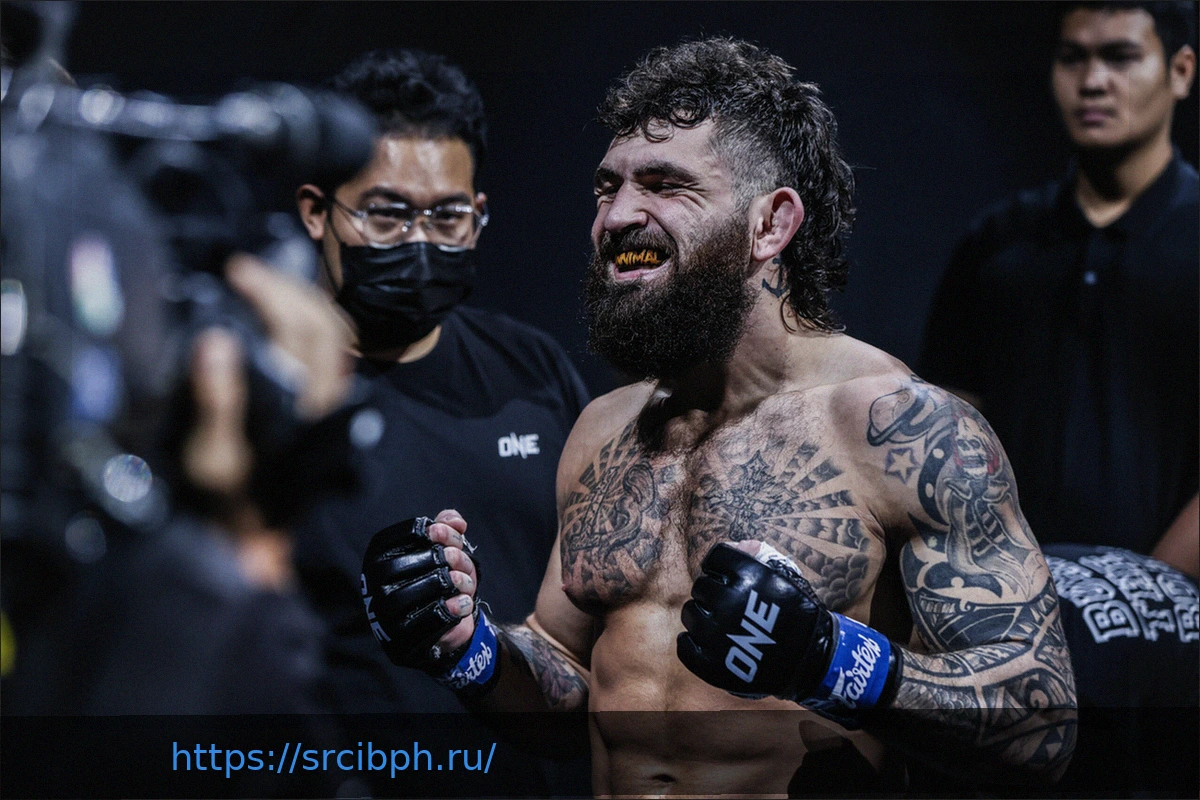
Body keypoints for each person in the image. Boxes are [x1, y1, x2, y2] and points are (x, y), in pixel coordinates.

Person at [360, 37, 1078, 796]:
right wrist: (468, 647)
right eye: (607, 187)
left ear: (771, 224)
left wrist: (831, 662)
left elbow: (1041, 726)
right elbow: (568, 682)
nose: (617, 216)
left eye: (665, 185)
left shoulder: (899, 430)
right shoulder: (605, 429)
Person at [293, 49, 591, 793]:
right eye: (388, 214)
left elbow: (587, 631)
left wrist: (474, 646)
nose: (420, 242)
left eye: (448, 216)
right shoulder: (261, 389)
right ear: (316, 211)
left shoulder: (533, 370)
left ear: (478, 214)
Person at [920, 1, 1199, 577]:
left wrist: (1147, 589)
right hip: (1005, 595)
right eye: (1073, 58)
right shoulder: (998, 241)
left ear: (1180, 71)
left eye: (1121, 57)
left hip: (1172, 607)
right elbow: (945, 424)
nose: (1092, 81)